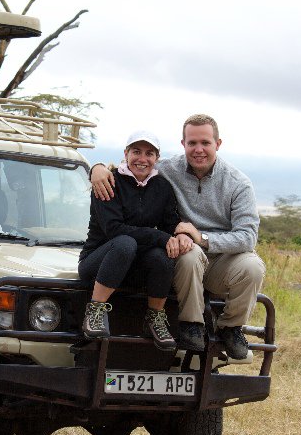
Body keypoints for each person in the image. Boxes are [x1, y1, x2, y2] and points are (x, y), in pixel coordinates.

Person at [90, 114, 265, 359]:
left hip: (221, 258)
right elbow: (135, 166)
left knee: (253, 266)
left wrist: (202, 238)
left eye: (205, 142)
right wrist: (96, 168)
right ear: (183, 145)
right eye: (192, 143)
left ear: (218, 144)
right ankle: (191, 325)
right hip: (185, 253)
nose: (198, 149)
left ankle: (231, 328)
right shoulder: (168, 170)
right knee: (189, 253)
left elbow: (247, 237)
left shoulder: (238, 183)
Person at [79, 131, 193, 350]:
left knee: (163, 255)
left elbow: (170, 224)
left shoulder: (162, 188)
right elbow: (113, 229)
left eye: (149, 153)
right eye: (136, 152)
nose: (142, 159)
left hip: (134, 267)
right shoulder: (108, 180)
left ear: (157, 158)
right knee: (124, 243)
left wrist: (180, 235)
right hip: (98, 262)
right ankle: (94, 311)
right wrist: (161, 237)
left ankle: (155, 317)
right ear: (126, 154)